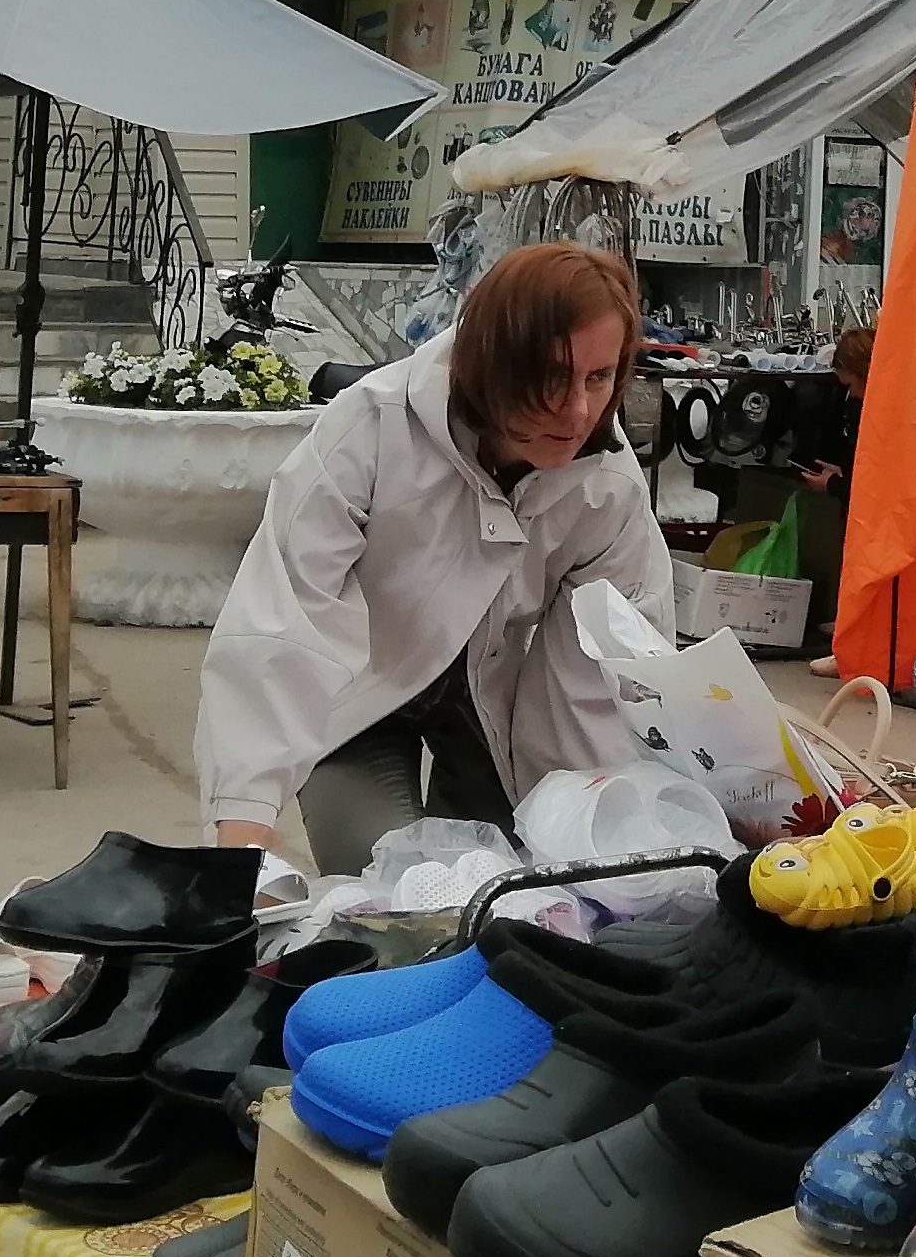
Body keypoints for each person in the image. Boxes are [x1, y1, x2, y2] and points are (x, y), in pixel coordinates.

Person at [200, 240, 673, 869]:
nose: (579, 411)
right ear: (493, 362)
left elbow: (605, 675)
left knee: (507, 889)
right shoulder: (368, 431)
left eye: (599, 376)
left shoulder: (607, 487)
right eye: (552, 378)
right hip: (358, 689)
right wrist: (241, 846)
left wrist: (587, 837)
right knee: (393, 890)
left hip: (490, 698)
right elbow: (277, 630)